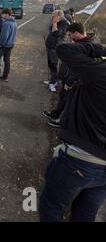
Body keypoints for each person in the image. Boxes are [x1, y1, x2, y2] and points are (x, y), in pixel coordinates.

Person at [39, 38, 106, 222]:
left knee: (50, 207)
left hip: (81, 157)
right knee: (85, 215)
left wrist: (97, 47)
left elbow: (64, 49)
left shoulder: (100, 72)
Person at [42, 23, 99, 128]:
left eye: (70, 34)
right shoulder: (78, 44)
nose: (70, 37)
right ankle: (56, 114)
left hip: (74, 82)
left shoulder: (85, 47)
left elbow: (81, 67)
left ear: (76, 33)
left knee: (70, 102)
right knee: (63, 98)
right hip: (67, 78)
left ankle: (62, 121)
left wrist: (71, 81)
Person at [45, 10, 69, 92]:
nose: (52, 17)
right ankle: (52, 80)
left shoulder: (64, 24)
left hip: (55, 47)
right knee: (50, 64)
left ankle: (53, 83)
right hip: (50, 46)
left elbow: (57, 33)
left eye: (53, 16)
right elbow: (51, 32)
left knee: (54, 64)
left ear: (59, 16)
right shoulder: (57, 22)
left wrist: (55, 23)